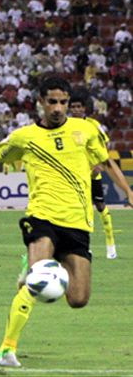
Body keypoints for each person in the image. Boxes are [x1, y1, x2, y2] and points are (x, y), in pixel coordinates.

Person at [0, 75, 133, 367]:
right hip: (42, 217)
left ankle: (39, 268)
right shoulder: (24, 137)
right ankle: (6, 348)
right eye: (52, 102)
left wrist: (128, 192)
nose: (58, 108)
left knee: (79, 299)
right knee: (36, 279)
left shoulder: (85, 130)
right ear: (40, 102)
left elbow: (105, 162)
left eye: (63, 102)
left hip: (78, 223)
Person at [69, 93, 121, 259]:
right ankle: (85, 246)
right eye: (74, 107)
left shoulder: (93, 125)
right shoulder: (65, 126)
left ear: (84, 108)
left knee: (100, 205)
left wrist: (98, 163)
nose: (76, 110)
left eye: (79, 107)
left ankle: (110, 243)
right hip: (76, 174)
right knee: (80, 210)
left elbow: (103, 144)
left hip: (93, 173)